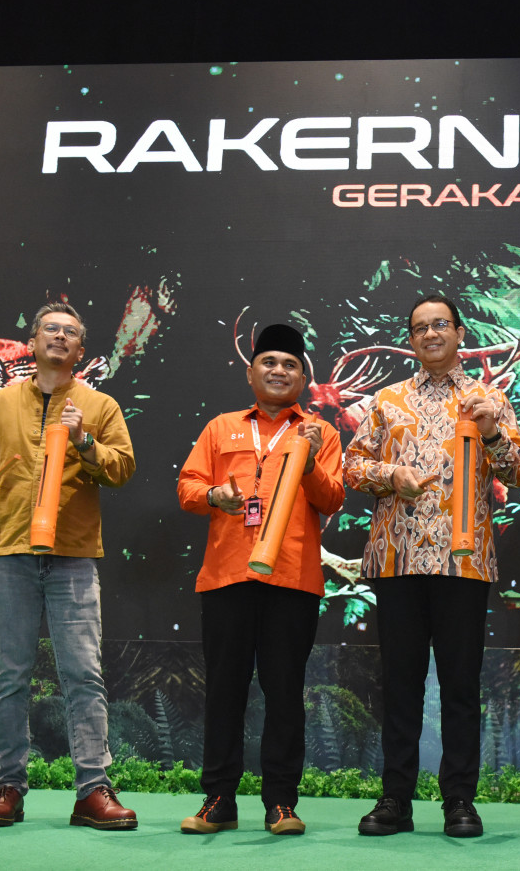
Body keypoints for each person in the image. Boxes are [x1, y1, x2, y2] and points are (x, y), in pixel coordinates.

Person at [344, 294, 520, 838]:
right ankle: (395, 799)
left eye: (440, 325)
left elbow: (518, 471)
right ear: (411, 339)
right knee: (400, 682)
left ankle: (459, 801)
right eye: (420, 327)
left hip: (463, 562)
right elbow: (353, 465)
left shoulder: (488, 398)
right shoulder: (386, 400)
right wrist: (389, 476)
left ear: (459, 333)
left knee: (460, 684)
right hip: (397, 559)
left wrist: (492, 431)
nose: (430, 334)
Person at [0, 302, 138, 830]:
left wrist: (83, 440)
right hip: (9, 552)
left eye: (70, 333)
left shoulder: (100, 406)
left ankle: (93, 791)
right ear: (33, 342)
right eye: (50, 329)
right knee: (10, 674)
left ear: (81, 350)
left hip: (74, 556)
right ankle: (8, 787)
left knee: (83, 675)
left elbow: (123, 469)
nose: (59, 337)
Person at [176, 324, 344, 837]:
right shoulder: (220, 427)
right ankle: (219, 800)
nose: (278, 371)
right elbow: (187, 487)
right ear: (251, 371)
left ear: (302, 378)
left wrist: (311, 459)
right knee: (224, 689)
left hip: (292, 580)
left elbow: (332, 499)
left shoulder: (320, 431)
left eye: (289, 364)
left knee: (285, 691)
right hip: (227, 575)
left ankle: (281, 804)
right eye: (269, 362)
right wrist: (213, 498)